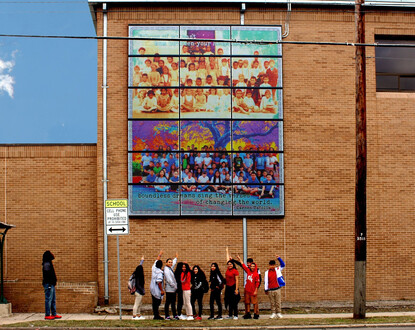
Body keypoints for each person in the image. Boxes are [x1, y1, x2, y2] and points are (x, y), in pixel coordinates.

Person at [235, 255, 260, 319]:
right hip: (247, 289)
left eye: (253, 266)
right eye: (251, 266)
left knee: (254, 303)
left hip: (253, 290)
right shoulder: (248, 271)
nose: (252, 267)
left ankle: (255, 313)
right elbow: (243, 265)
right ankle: (248, 313)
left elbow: (257, 283)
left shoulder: (256, 274)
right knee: (247, 302)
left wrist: (256, 290)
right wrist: (239, 258)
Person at [42, 251, 62, 320]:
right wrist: (50, 283)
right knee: (48, 299)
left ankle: (54, 313)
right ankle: (47, 314)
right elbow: (47, 275)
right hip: (49, 284)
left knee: (53, 299)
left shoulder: (49, 263)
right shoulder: (47, 264)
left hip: (51, 284)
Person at [224, 247, 240, 319]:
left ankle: (236, 315)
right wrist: (227, 251)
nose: (229, 265)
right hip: (228, 287)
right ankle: (230, 315)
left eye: (231, 264)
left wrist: (236, 289)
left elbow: (237, 280)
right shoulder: (228, 269)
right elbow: (227, 260)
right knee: (229, 301)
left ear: (233, 265)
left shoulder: (235, 271)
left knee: (234, 302)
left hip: (233, 286)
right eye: (229, 264)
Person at [150, 250, 164, 320]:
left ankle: (155, 314)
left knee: (154, 303)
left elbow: (156, 260)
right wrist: (161, 290)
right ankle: (156, 315)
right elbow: (159, 282)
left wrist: (160, 254)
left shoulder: (153, 268)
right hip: (157, 290)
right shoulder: (159, 273)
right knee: (157, 303)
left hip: (152, 288)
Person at [164, 253, 179, 320]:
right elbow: (169, 280)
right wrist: (174, 286)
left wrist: (175, 258)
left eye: (171, 262)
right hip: (169, 289)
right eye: (169, 262)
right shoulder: (166, 270)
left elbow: (173, 264)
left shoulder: (170, 268)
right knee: (168, 303)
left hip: (173, 289)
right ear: (166, 263)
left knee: (173, 303)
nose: (170, 263)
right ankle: (167, 315)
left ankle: (174, 315)